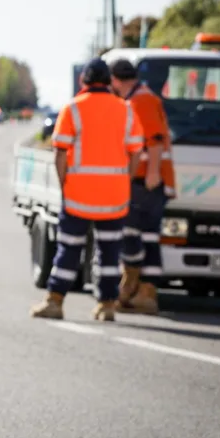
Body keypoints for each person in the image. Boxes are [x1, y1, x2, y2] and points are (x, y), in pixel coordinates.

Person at [31, 58, 144, 321]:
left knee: (69, 249)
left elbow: (60, 153)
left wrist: (64, 185)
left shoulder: (72, 109)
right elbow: (136, 152)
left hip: (78, 196)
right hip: (115, 196)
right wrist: (124, 180)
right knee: (109, 253)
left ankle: (55, 301)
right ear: (109, 81)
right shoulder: (126, 110)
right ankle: (106, 306)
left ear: (84, 81)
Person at [110, 58, 174, 314]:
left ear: (115, 80)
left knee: (133, 233)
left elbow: (155, 139)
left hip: (146, 178)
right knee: (146, 235)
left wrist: (154, 172)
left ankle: (137, 286)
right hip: (146, 177)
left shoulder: (141, 100)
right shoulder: (138, 99)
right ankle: (142, 291)